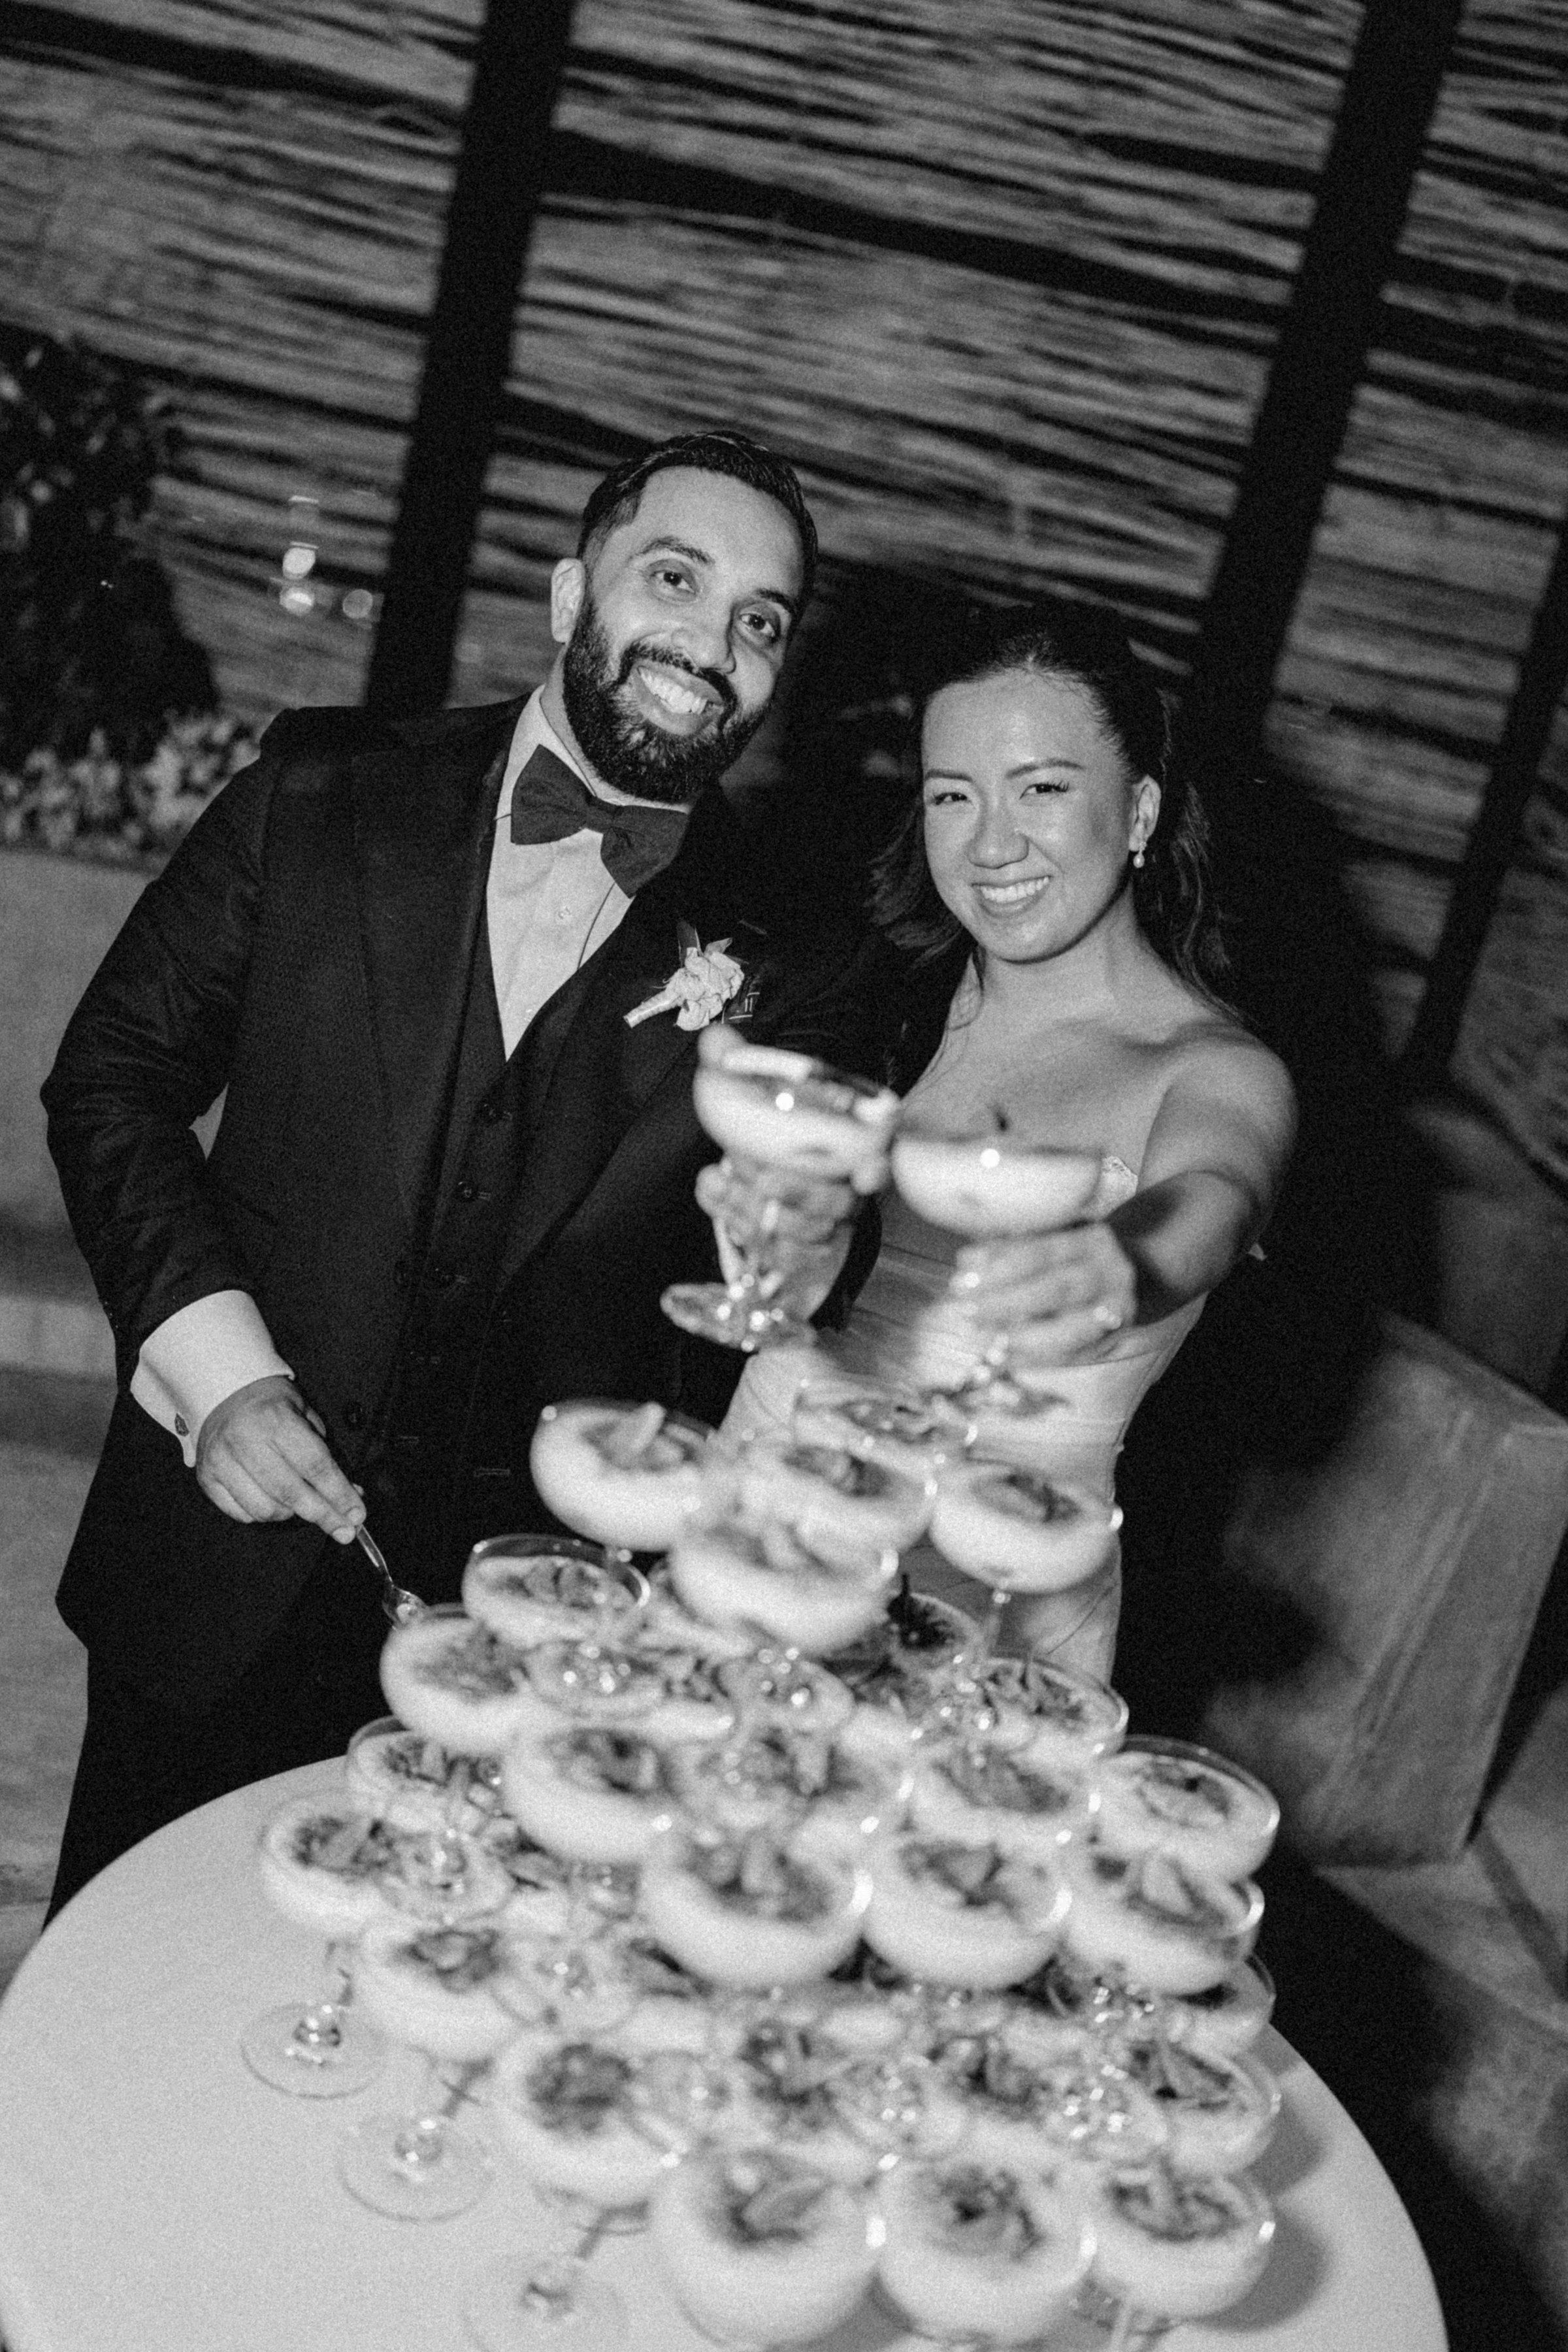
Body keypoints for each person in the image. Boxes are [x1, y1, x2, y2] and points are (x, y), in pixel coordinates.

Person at [41, 429, 874, 1910]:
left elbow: (782, 1285)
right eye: (674, 579)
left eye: (760, 619)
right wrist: (219, 1372)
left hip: (520, 1644)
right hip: (217, 1554)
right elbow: (115, 1082)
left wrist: (809, 1251)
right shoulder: (321, 790)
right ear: (570, 597)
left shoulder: (800, 956)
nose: (714, 642)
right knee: (116, 1996)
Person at [723, 595, 1296, 1680]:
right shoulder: (870, 1009)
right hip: (757, 1543)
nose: (991, 843)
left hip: (993, 1625)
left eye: (1041, 789)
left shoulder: (1211, 1070)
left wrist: (1119, 1263)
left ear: (1136, 813)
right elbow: (775, 1287)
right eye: (953, 796)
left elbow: (1219, 1195)